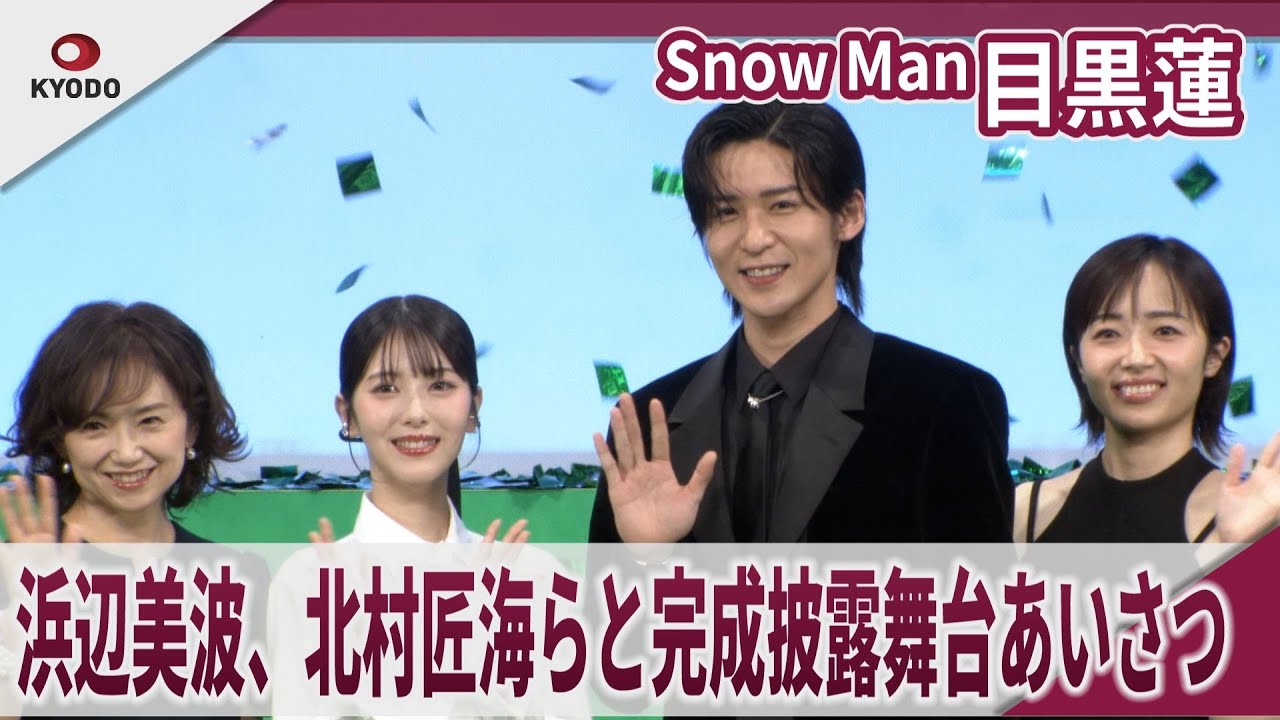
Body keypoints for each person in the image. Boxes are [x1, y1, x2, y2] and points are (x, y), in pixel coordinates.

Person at [588, 101, 1012, 545]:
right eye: (727, 212)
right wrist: (647, 559)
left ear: (848, 215)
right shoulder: (647, 422)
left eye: (783, 205)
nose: (754, 239)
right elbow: (608, 594)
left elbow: (979, 590)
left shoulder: (944, 402)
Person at [1016, 234, 1280, 545]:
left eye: (1165, 331)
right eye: (1108, 333)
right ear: (1078, 360)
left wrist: (1236, 547)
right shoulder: (1025, 513)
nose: (1135, 358)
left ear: (1214, 356)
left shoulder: (1257, 519)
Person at [2, 301, 245, 544]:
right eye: (94, 425)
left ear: (192, 427)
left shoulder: (221, 565)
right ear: (60, 441)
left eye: (149, 420)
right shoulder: (22, 562)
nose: (126, 454)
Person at [312, 295, 528, 545]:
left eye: (440, 385)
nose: (416, 414)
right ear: (347, 414)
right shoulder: (313, 569)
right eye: (386, 389)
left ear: (473, 408)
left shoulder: (528, 567)